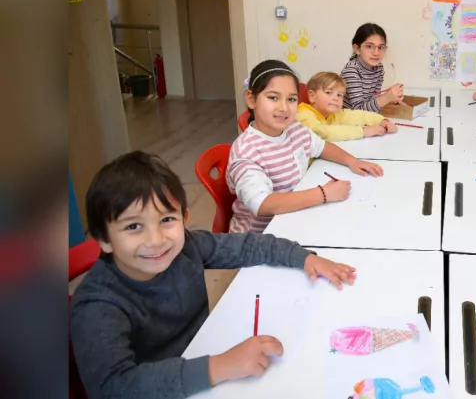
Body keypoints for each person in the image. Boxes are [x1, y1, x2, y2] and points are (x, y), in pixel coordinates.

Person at [70, 151, 358, 399]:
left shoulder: (187, 246)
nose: (156, 239)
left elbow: (247, 245)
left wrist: (303, 257)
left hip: (206, 356)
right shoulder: (97, 305)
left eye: (166, 220)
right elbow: (113, 388)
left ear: (184, 219)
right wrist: (218, 366)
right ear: (103, 240)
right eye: (133, 227)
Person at [229, 60, 383, 234]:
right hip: (259, 240)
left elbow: (322, 146)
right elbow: (263, 204)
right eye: (273, 97)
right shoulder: (247, 151)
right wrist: (324, 194)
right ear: (251, 99)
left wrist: (352, 161)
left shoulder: (294, 128)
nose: (284, 107)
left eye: (291, 99)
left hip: (296, 218)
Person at [297, 71, 397, 141]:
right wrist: (363, 131)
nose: (336, 98)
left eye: (339, 95)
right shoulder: (304, 115)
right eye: (328, 92)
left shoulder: (332, 113)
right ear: (312, 96)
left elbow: (356, 115)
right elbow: (324, 133)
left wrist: (381, 121)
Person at [341, 23, 403, 112]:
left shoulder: (379, 68)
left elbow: (372, 99)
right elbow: (359, 111)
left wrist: (390, 98)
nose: (376, 53)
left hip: (367, 117)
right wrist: (386, 98)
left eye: (381, 47)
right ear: (357, 49)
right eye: (369, 46)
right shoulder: (351, 71)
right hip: (349, 119)